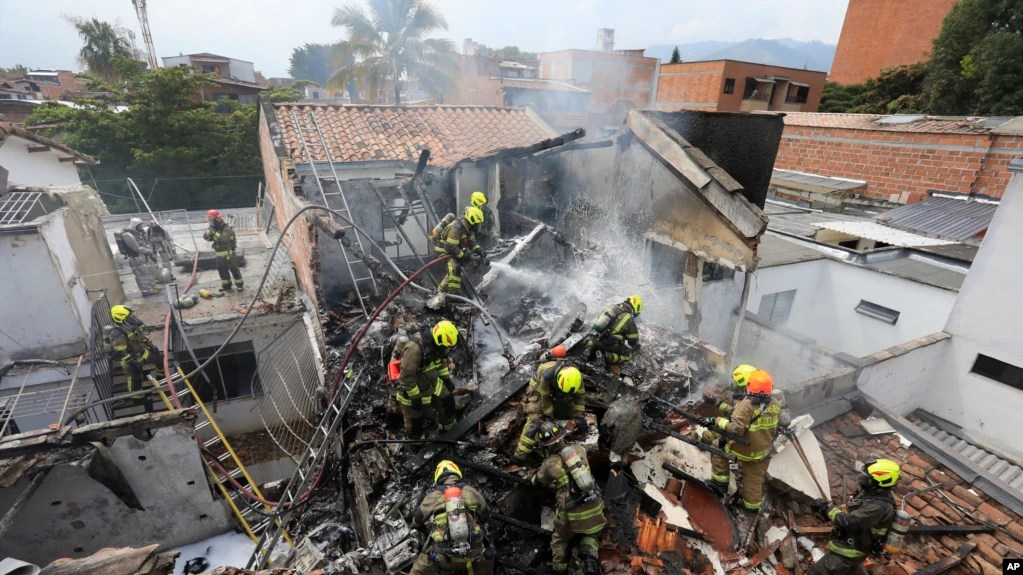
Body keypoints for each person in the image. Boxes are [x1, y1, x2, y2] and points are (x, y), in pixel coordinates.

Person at [698, 369, 782, 510]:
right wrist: (717, 403)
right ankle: (751, 505)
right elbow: (739, 414)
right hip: (762, 451)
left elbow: (736, 429)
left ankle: (720, 483)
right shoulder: (775, 404)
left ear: (750, 385)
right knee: (754, 478)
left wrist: (716, 420)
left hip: (744, 449)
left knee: (717, 447)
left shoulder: (746, 405)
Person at [531, 421, 605, 575]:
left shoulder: (549, 464)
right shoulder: (579, 449)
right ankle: (590, 562)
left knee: (559, 539)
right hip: (594, 503)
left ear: (546, 445)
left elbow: (538, 482)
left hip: (571, 511)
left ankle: (559, 570)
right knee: (590, 534)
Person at [809, 459, 900, 575]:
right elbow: (852, 509)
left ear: (883, 482)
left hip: (848, 552)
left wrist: (828, 508)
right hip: (850, 544)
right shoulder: (870, 493)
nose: (862, 480)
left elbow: (849, 522)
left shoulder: (879, 507)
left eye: (867, 479)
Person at [409, 460, 494, 575]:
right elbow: (485, 516)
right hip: (475, 555)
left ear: (438, 478)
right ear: (457, 473)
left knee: (417, 571)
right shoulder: (471, 492)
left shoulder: (434, 496)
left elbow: (417, 520)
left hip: (444, 558)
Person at [513, 350, 586, 461]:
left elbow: (580, 397)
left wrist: (579, 417)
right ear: (558, 380)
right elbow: (545, 399)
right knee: (536, 418)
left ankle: (560, 441)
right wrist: (549, 416)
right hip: (539, 390)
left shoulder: (576, 377)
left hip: (557, 389)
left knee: (566, 410)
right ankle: (520, 455)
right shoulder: (546, 375)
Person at [395, 320, 460, 438]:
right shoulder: (414, 348)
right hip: (411, 390)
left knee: (447, 402)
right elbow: (406, 377)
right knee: (415, 423)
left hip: (430, 381)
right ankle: (417, 445)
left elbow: (439, 361)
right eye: (445, 346)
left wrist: (446, 380)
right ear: (439, 339)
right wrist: (415, 398)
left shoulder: (435, 344)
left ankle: (449, 432)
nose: (445, 349)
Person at [109, 304, 163, 398]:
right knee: (135, 377)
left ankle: (161, 377)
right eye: (129, 318)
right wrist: (131, 363)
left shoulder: (132, 327)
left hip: (142, 353)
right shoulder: (118, 334)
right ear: (120, 319)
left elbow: (142, 338)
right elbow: (121, 352)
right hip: (129, 359)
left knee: (158, 358)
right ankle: (137, 397)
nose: (133, 319)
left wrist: (150, 345)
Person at [433, 206, 486, 295]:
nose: (478, 226)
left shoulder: (468, 228)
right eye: (478, 223)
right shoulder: (456, 227)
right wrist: (466, 256)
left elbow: (472, 243)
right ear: (472, 220)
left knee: (452, 274)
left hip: (454, 250)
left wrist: (479, 250)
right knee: (455, 268)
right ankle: (454, 295)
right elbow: (450, 246)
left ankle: (439, 292)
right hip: (444, 251)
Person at [584, 295, 641, 375]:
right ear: (636, 308)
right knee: (628, 354)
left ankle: (592, 346)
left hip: (595, 338)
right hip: (609, 345)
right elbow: (633, 340)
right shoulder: (629, 317)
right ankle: (607, 356)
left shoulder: (612, 307)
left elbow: (598, 318)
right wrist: (637, 346)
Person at [117, 217, 161, 295]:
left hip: (144, 256)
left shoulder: (138, 233)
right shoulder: (127, 235)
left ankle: (152, 286)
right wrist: (149, 251)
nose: (141, 227)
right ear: (135, 225)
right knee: (142, 275)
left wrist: (149, 249)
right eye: (139, 225)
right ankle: (146, 291)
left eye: (141, 225)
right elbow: (136, 248)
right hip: (136, 258)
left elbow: (144, 243)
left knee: (149, 272)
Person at [203, 209, 243, 292]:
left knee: (233, 269)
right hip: (219, 254)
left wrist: (213, 232)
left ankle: (239, 285)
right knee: (222, 270)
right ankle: (226, 286)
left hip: (229, 254)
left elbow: (223, 239)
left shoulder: (226, 228)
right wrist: (207, 235)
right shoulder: (213, 228)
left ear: (215, 219)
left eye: (210, 219)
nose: (209, 221)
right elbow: (211, 238)